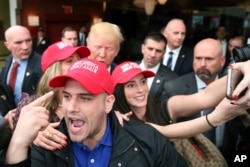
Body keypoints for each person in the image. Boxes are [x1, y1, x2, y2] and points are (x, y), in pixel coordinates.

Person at [1, 58, 188, 167]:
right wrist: (19, 141)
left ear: (108, 104)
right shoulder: (47, 145)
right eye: (67, 96)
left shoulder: (147, 140)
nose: (72, 107)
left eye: (85, 98)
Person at [111, 61, 247, 140]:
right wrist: (216, 118)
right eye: (131, 85)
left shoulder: (164, 107)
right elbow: (164, 132)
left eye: (143, 82)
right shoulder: (117, 121)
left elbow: (205, 96)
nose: (140, 89)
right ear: (118, 92)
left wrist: (241, 70)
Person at [11, 41, 90, 151]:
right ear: (53, 70)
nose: (78, 65)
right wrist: (31, 138)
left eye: (79, 59)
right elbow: (16, 150)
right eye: (70, 61)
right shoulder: (30, 106)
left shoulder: (92, 98)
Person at [161, 38, 225, 145]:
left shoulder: (233, 86)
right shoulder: (174, 88)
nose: (202, 64)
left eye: (209, 59)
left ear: (222, 61)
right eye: (198, 58)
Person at [0, 25, 43, 105]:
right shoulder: (8, 60)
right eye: (18, 42)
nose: (25, 47)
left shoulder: (42, 64)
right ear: (7, 45)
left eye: (28, 40)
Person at [138, 31, 178, 99]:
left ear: (164, 53)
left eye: (158, 51)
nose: (153, 55)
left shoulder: (172, 79)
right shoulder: (128, 68)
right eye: (150, 49)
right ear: (143, 48)